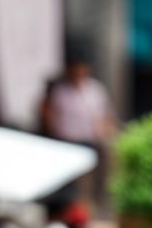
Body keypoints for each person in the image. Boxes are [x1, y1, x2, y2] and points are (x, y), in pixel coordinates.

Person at [46, 47, 115, 204]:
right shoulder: (60, 91)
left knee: (88, 186)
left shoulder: (95, 90)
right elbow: (51, 118)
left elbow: (104, 117)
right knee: (67, 186)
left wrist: (105, 135)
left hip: (89, 142)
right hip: (65, 143)